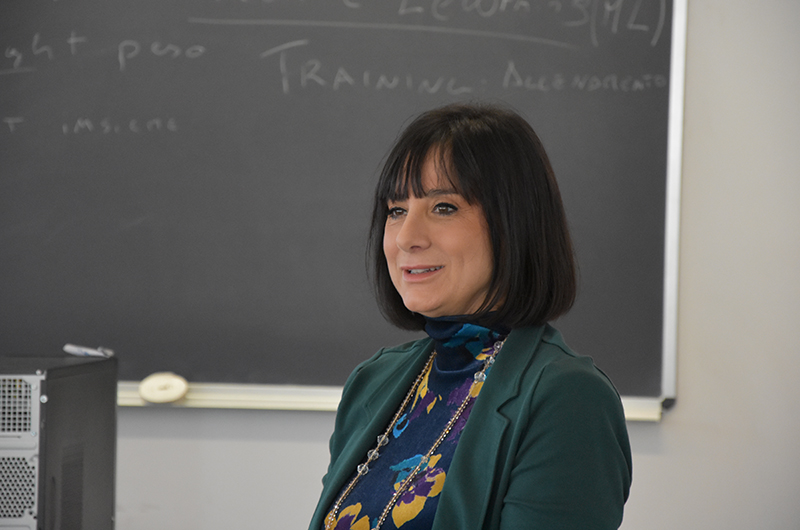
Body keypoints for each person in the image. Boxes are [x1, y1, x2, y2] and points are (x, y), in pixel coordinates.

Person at [308, 103, 632, 530]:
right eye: (396, 210)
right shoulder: (371, 382)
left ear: (513, 223)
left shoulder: (569, 399)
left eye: (443, 207)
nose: (406, 238)